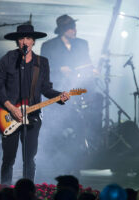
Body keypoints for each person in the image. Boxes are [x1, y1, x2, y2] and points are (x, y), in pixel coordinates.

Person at [0, 24, 70, 185]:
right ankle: (5, 190)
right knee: (9, 158)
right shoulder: (8, 59)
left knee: (29, 158)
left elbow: (46, 89)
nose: (24, 41)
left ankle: (28, 192)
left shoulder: (42, 63)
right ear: (17, 42)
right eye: (21, 38)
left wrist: (59, 96)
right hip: (8, 114)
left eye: (28, 38)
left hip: (32, 116)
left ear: (33, 41)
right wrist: (12, 108)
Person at [41, 14, 103, 154]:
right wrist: (59, 69)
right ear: (63, 30)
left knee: (98, 99)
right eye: (71, 28)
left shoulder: (82, 44)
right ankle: (56, 148)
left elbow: (87, 63)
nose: (74, 30)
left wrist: (92, 70)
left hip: (78, 89)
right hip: (57, 89)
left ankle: (91, 141)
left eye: (74, 27)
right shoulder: (49, 46)